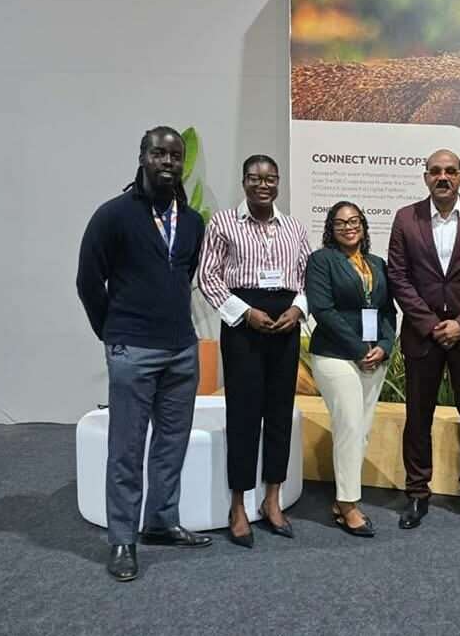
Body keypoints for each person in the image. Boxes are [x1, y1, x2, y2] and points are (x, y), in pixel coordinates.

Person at [77, 126, 211, 581]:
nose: (168, 162)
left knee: (172, 443)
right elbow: (87, 280)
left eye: (175, 155)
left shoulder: (191, 221)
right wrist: (111, 332)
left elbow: (184, 274)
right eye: (158, 154)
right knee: (127, 448)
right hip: (132, 348)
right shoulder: (113, 215)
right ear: (142, 157)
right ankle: (122, 539)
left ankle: (161, 522)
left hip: (181, 349)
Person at [198, 154, 310, 547]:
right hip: (243, 324)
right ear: (243, 181)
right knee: (243, 414)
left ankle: (272, 499)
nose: (263, 184)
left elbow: (307, 277)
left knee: (279, 412)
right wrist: (245, 313)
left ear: (278, 183)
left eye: (270, 178)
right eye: (255, 178)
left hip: (285, 323)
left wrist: (298, 310)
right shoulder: (223, 223)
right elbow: (208, 277)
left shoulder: (294, 227)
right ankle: (238, 505)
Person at [387, 148, 460, 530]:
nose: (443, 177)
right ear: (425, 177)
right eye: (435, 171)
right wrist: (430, 323)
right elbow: (398, 276)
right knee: (418, 418)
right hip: (423, 337)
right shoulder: (406, 218)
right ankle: (417, 493)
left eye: (450, 171)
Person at [306, 202, 396, 537]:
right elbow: (322, 310)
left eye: (354, 221)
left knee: (363, 429)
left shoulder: (377, 264)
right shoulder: (322, 260)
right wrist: (359, 350)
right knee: (349, 426)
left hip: (374, 356)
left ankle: (343, 497)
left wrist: (384, 345)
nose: (348, 227)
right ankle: (347, 505)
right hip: (335, 356)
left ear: (363, 225)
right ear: (331, 228)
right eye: (340, 222)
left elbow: (388, 311)